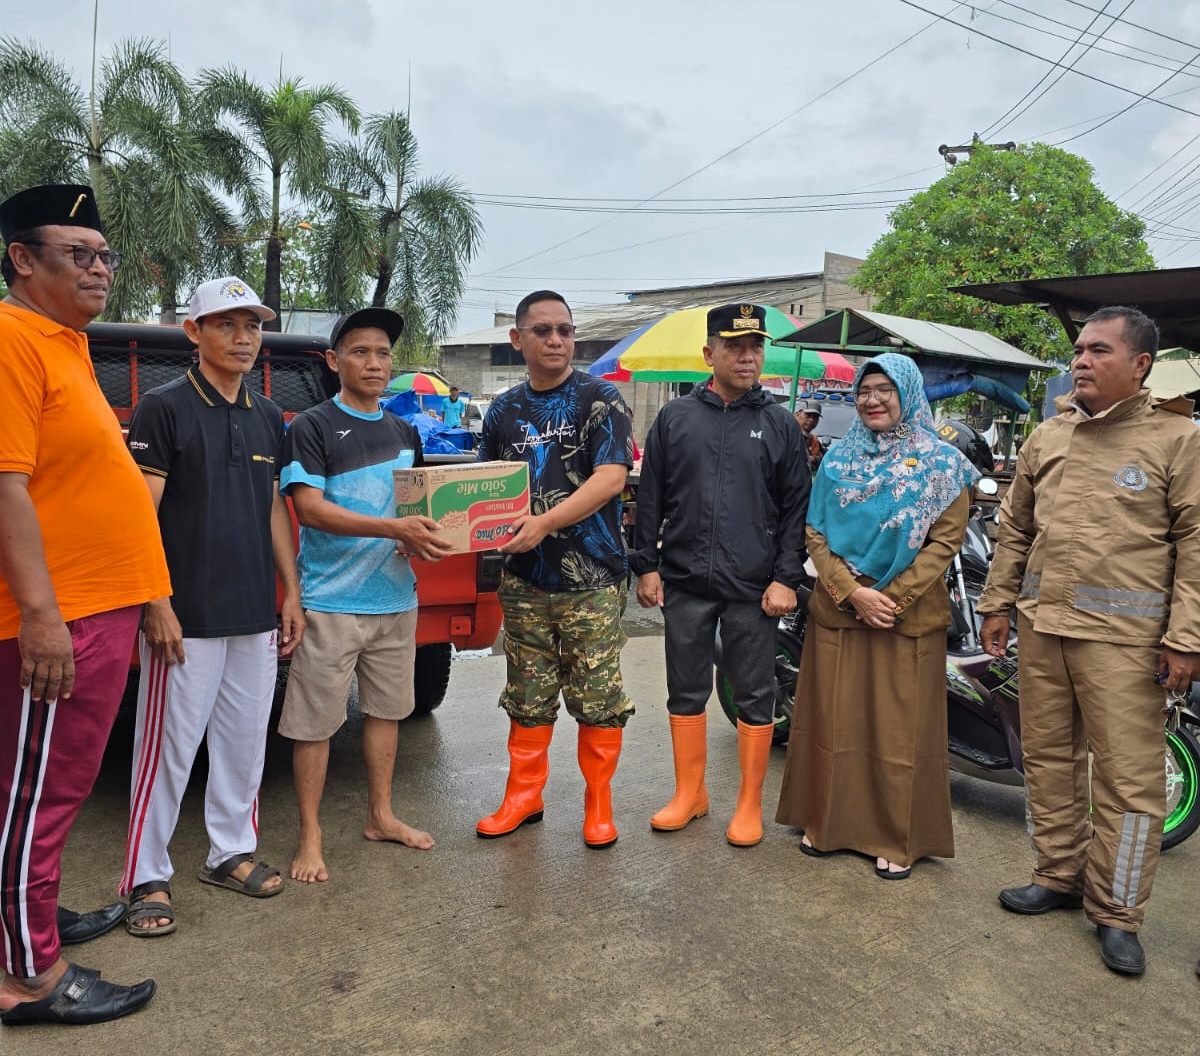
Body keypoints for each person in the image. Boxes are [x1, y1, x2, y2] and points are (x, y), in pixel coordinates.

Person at [978, 306, 1200, 976]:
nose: (1079, 360)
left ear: (1139, 366)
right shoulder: (1049, 436)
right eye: (1078, 349)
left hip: (1127, 645)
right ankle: (1058, 876)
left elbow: (1195, 545)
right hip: (1044, 630)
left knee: (1131, 786)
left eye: (1098, 350)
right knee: (1047, 764)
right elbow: (1014, 529)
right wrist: (996, 603)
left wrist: (1186, 638)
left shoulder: (1176, 439)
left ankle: (1117, 911)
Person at [0, 183, 170, 1024]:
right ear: (22, 260)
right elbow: (6, 487)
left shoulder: (64, 342)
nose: (100, 268)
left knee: (50, 789)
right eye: (80, 253)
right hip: (57, 616)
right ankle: (27, 976)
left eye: (103, 256)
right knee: (35, 792)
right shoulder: (9, 339)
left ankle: (26, 926)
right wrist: (39, 616)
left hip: (99, 608)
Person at [118, 277, 304, 935]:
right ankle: (145, 875)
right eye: (227, 324)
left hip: (253, 612)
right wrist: (155, 603)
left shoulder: (266, 416)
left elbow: (275, 511)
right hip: (185, 617)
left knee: (244, 744)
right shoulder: (163, 410)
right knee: (165, 751)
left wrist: (291, 595)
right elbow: (142, 516)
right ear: (194, 333)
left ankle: (229, 854)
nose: (244, 337)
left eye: (252, 325)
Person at [776, 353, 978, 879]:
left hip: (905, 617)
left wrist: (891, 596)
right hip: (841, 611)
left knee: (898, 733)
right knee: (830, 722)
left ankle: (897, 837)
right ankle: (825, 822)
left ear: (908, 393)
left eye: (885, 389)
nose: (872, 399)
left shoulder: (942, 463)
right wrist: (853, 593)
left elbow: (944, 542)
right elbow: (815, 532)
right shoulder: (840, 459)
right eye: (865, 390)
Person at [279, 308, 454, 883]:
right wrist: (394, 531)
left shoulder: (405, 431)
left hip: (395, 601)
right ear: (334, 362)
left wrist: (427, 536)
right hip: (330, 602)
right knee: (316, 725)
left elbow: (417, 508)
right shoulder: (312, 425)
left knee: (386, 715)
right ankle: (311, 833)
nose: (374, 363)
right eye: (360, 352)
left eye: (382, 353)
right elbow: (309, 509)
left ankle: (381, 815)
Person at [632, 303, 809, 846]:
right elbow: (650, 495)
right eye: (734, 346)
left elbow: (795, 508)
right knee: (683, 691)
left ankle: (748, 804)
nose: (747, 356)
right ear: (709, 353)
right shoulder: (676, 418)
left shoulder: (779, 423)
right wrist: (646, 565)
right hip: (684, 580)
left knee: (754, 694)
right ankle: (691, 794)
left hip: (752, 588)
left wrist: (785, 577)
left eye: (755, 346)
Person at [475, 290, 634, 848]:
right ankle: (524, 797)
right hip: (525, 581)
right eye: (542, 330)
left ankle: (598, 802)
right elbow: (485, 486)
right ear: (517, 339)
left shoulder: (600, 399)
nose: (556, 340)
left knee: (597, 695)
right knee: (527, 691)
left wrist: (544, 524)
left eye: (564, 330)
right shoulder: (502, 409)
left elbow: (611, 478)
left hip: (591, 579)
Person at [794, 402, 824, 470]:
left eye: (815, 417)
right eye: (808, 415)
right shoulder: (788, 435)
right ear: (797, 414)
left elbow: (827, 459)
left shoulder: (813, 439)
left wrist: (814, 459)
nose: (811, 420)